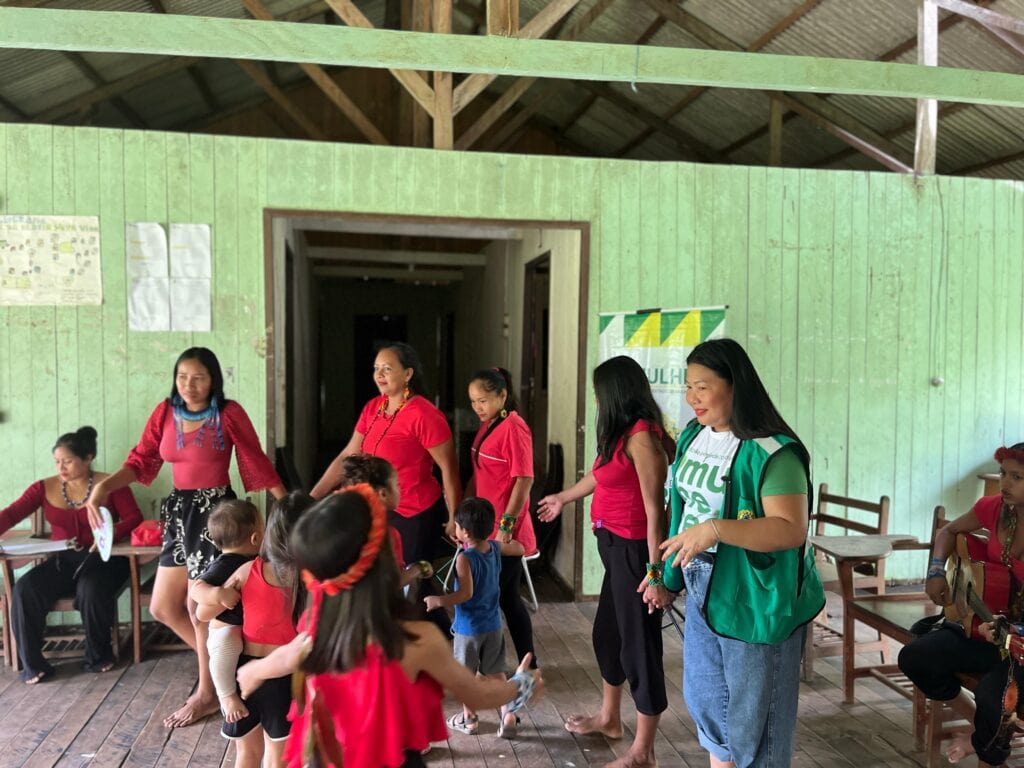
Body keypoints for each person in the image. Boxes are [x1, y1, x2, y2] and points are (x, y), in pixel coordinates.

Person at [234, 485, 544, 768]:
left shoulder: (319, 629)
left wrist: (252, 672)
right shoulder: (418, 640)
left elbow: (286, 657)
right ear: (386, 564)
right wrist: (521, 684)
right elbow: (475, 694)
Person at [85, 347, 286, 728]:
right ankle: (231, 669)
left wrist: (287, 503)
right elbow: (141, 460)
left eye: (199, 377)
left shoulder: (228, 413)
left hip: (215, 514)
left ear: (214, 380)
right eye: (182, 376)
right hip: (178, 512)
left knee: (200, 611)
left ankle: (209, 693)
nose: (189, 385)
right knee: (163, 607)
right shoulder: (165, 412)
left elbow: (255, 458)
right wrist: (103, 488)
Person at [659, 338, 820, 768]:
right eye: (687, 386)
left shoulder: (773, 450)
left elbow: (789, 529)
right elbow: (682, 510)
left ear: (736, 387)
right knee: (711, 705)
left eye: (702, 386)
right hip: (702, 585)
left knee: (755, 725)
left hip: (754, 594)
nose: (691, 397)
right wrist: (666, 577)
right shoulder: (694, 436)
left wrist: (715, 531)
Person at [537, 355, 669, 768]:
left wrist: (654, 573)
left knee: (640, 649)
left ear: (615, 394)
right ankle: (611, 719)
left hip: (634, 553)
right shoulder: (620, 434)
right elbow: (599, 477)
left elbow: (655, 512)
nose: (595, 401)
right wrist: (562, 498)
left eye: (598, 394)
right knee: (607, 638)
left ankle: (643, 751)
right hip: (612, 548)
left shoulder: (643, 438)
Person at [310, 342, 461, 630]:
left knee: (418, 588)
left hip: (416, 512)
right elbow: (347, 456)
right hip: (378, 506)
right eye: (376, 368)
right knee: (387, 581)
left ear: (407, 374)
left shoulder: (424, 414)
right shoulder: (373, 408)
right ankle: (419, 645)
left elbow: (449, 469)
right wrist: (314, 496)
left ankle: (438, 648)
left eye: (388, 368)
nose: (380, 374)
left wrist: (454, 516)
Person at [898, 442, 1024, 767]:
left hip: (1020, 645)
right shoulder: (994, 507)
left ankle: (983, 740)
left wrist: (1012, 630)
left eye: (1017, 477)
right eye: (1003, 474)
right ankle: (978, 726)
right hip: (985, 627)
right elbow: (948, 531)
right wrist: (936, 571)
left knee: (994, 699)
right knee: (916, 656)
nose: (1005, 483)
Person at [0, 426, 142, 684]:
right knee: (25, 589)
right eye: (57, 462)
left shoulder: (110, 484)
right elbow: (10, 514)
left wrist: (107, 533)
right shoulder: (43, 488)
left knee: (91, 588)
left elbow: (134, 517)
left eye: (67, 461)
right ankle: (33, 665)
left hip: (104, 559)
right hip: (62, 562)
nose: (61, 468)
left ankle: (98, 656)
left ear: (87, 458)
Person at [193, 490, 310, 768]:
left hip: (242, 672)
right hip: (283, 673)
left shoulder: (248, 570)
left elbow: (202, 613)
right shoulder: (309, 578)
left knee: (246, 754)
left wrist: (221, 596)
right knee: (276, 756)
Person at [424, 497, 524, 738]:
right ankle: (508, 713)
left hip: (469, 629)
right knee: (497, 672)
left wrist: (439, 601)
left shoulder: (464, 559)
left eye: (458, 526)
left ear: (465, 532)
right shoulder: (494, 548)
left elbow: (465, 594)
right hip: (493, 625)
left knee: (464, 677)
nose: (455, 530)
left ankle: (468, 719)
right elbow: (520, 549)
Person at [466, 367, 538, 667]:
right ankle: (520, 665)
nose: (478, 407)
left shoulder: (514, 426)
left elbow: (524, 479)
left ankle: (519, 666)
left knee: (501, 598)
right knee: (503, 598)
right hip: (485, 525)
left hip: (506, 530)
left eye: (483, 400)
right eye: (473, 401)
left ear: (503, 395)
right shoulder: (490, 424)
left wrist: (506, 526)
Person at [189, 498, 263, 723]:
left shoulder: (254, 559)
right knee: (225, 650)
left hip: (244, 626)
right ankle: (225, 695)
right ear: (255, 537)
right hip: (225, 628)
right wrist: (218, 594)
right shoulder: (224, 564)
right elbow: (196, 589)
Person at [340, 454, 434, 589]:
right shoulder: (386, 536)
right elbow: (392, 584)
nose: (399, 488)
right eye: (397, 484)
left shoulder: (343, 529)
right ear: (383, 494)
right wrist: (418, 568)